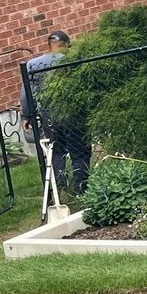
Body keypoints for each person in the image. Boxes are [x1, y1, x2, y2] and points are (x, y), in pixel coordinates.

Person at [20, 30, 89, 192]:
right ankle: (81, 188)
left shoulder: (33, 65)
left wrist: (27, 115)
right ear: (66, 45)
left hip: (49, 115)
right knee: (79, 151)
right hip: (73, 113)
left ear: (48, 45)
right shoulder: (73, 60)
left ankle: (61, 187)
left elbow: (26, 93)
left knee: (57, 151)